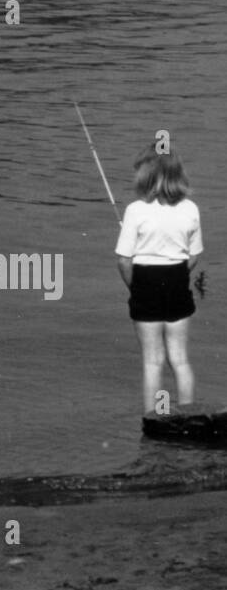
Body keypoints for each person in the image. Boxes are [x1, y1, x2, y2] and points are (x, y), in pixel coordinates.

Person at [114, 145, 203, 414]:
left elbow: (123, 260)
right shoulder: (190, 208)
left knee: (153, 362)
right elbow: (194, 255)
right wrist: (176, 276)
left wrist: (136, 287)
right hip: (177, 280)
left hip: (146, 283)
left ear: (147, 176)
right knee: (180, 359)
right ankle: (188, 419)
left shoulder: (135, 211)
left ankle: (155, 421)